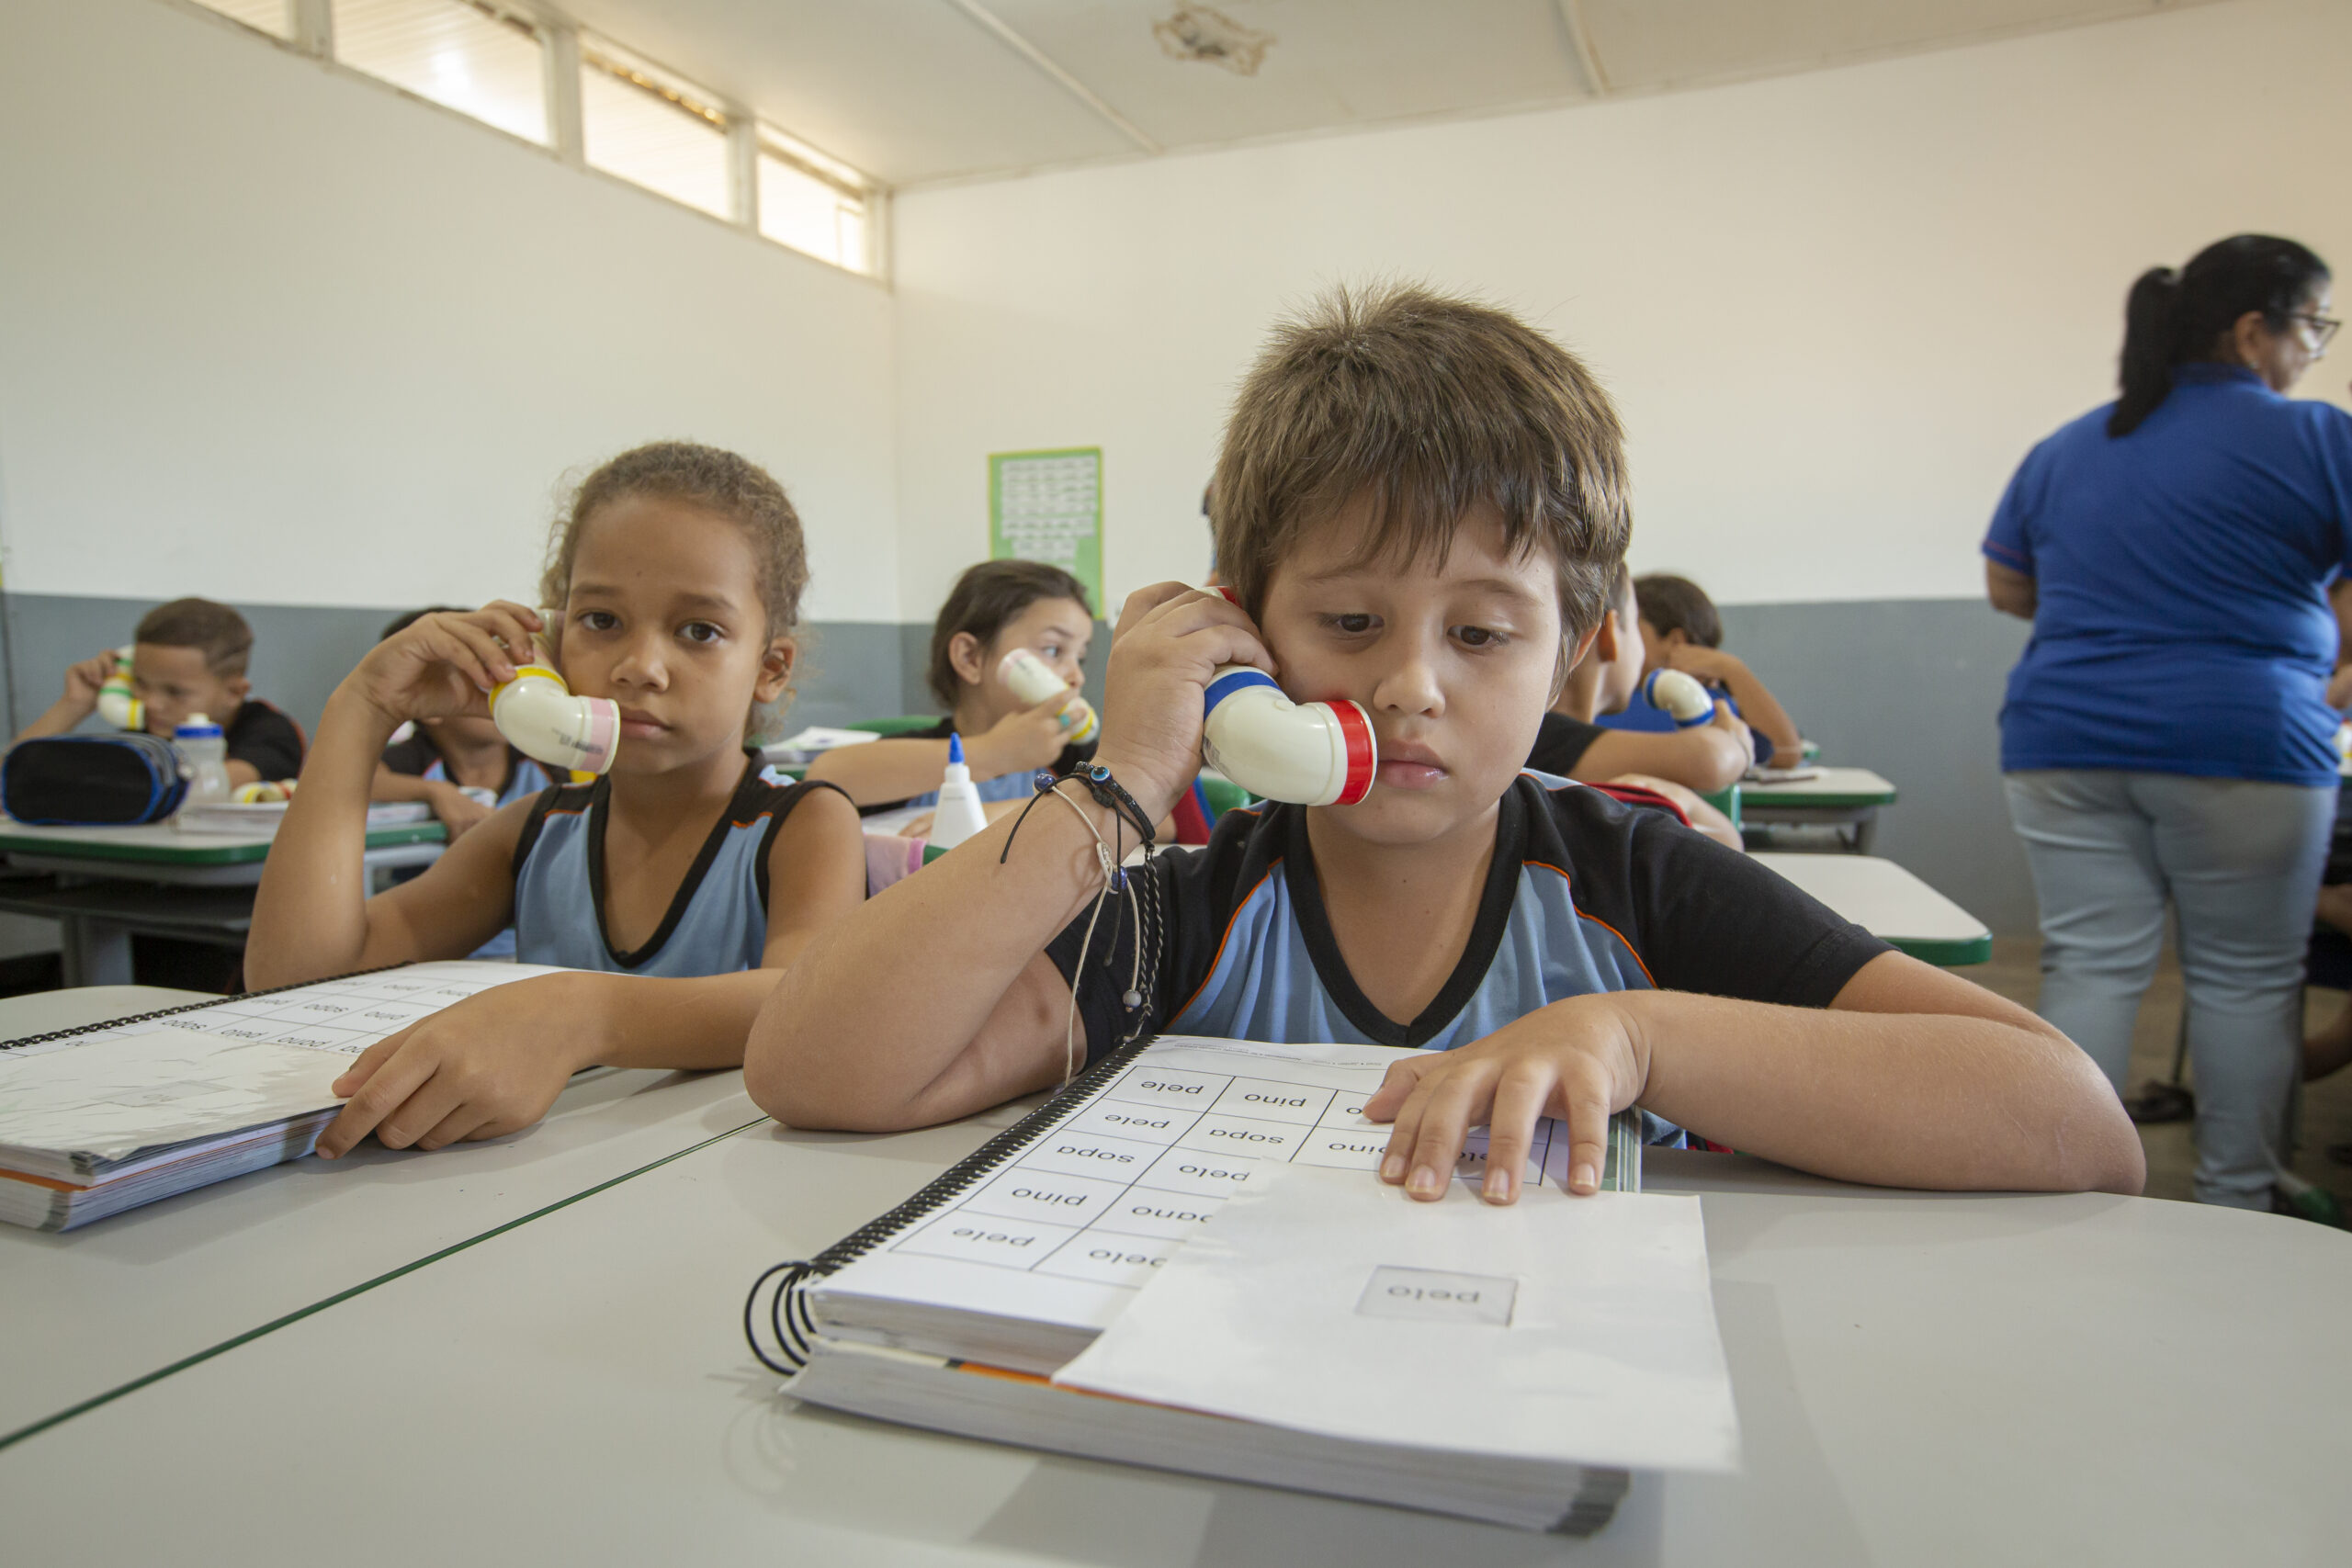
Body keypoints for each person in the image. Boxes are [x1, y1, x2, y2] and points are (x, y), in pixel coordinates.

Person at [746, 284, 2142, 1204]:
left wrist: (1636, 1037)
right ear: (1248, 628)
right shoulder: (1191, 911)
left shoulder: (1639, 886)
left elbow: (2074, 1121)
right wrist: (1120, 787)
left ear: (1580, 643)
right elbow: (817, 1069)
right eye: (1351, 618)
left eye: (1481, 634)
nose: (1411, 682)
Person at [248, 442, 866, 1157]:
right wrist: (362, 709)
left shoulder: (803, 825)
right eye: (601, 620)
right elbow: (296, 981)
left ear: (769, 667)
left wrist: (580, 1013)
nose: (640, 667)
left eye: (699, 630)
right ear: (550, 636)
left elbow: (802, 1002)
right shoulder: (536, 832)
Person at [1984, 233, 2350, 1211]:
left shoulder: (2067, 445)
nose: (2312, 350)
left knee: (2091, 964)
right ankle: (2238, 1201)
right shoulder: (2319, 437)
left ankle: (2077, 1191)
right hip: (2246, 741)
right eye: (2312, 327)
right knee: (2244, 979)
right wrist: (2324, 679)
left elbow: (2006, 583)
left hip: (2060, 738)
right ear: (2250, 331)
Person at [807, 560, 1096, 822]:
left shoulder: (1073, 756)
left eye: (1079, 656)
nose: (1077, 676)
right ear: (970, 658)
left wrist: (997, 815)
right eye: (1052, 649)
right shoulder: (914, 759)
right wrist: (996, 752)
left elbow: (1118, 804)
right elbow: (825, 778)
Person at [1528, 564, 1752, 833]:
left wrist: (1688, 803)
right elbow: (1710, 760)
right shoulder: (1543, 735)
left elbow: (1728, 839)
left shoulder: (1559, 740)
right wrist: (1738, 742)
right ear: (1609, 634)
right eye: (1634, 622)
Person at [17, 597, 304, 786]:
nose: (151, 703)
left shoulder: (269, 732)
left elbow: (209, 786)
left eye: (175, 692)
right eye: (140, 683)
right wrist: (74, 704)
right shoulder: (146, 735)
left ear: (234, 692)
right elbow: (12, 776)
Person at [369, 607, 557, 845]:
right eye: (482, 675)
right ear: (427, 707)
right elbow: (360, 781)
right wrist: (435, 792)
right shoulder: (417, 758)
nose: (504, 687)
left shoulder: (542, 757)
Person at [1600, 574, 1804, 769]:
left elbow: (1786, 751)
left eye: (1632, 624)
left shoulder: (1713, 708)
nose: (1618, 637)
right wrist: (1732, 669)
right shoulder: (1614, 701)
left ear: (1676, 642)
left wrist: (1732, 669)